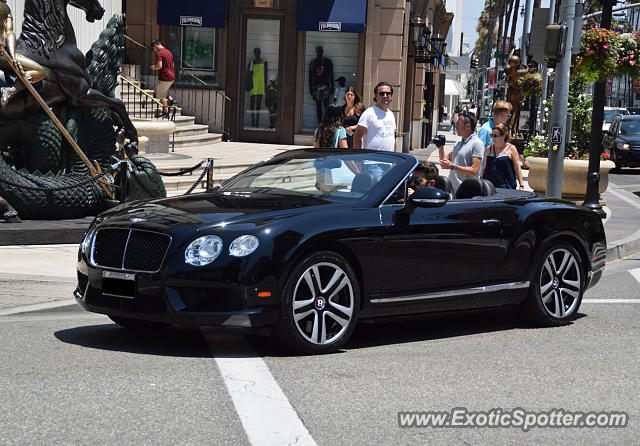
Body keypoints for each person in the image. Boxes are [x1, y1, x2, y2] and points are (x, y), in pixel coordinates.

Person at [0, 0, 46, 111]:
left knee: (40, 72)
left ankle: (10, 91)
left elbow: (9, 32)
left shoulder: (5, 8)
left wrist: (13, 56)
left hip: (3, 53)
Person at [439, 112, 485, 191]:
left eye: (458, 123)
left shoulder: (477, 144)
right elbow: (445, 162)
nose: (455, 126)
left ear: (467, 126)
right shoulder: (458, 142)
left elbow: (474, 170)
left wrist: (452, 166)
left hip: (466, 191)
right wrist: (440, 147)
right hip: (452, 189)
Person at [353, 81, 396, 152]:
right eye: (382, 94)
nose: (385, 96)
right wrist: (358, 157)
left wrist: (395, 158)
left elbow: (392, 139)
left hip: (389, 161)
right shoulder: (369, 113)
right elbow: (357, 137)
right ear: (376, 96)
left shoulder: (391, 114)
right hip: (371, 161)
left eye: (388, 93)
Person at [481, 124, 524, 190]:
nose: (493, 138)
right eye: (491, 135)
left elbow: (517, 168)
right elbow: (484, 168)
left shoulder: (511, 148)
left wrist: (521, 185)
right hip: (489, 186)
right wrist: (481, 182)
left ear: (503, 136)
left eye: (495, 136)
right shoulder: (488, 149)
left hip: (506, 187)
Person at [150, 40, 175, 118]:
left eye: (153, 48)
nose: (154, 50)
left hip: (165, 77)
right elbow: (173, 64)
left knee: (161, 96)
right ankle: (171, 100)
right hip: (172, 76)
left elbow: (159, 66)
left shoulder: (159, 53)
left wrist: (153, 67)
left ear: (155, 46)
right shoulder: (168, 52)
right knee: (164, 92)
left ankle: (166, 113)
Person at [309, 46, 334, 123]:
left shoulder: (327, 62)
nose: (319, 52)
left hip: (325, 86)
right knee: (318, 105)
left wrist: (332, 86)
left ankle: (326, 123)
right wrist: (310, 88)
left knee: (326, 105)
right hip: (317, 87)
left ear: (322, 52)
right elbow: (310, 77)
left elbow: (331, 75)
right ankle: (320, 123)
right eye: (318, 51)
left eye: (320, 51)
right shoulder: (313, 63)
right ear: (316, 52)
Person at [247, 47, 268, 128]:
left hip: (260, 85)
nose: (257, 53)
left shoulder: (264, 62)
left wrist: (265, 86)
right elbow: (248, 75)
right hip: (252, 85)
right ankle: (252, 120)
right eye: (255, 52)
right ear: (254, 53)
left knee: (258, 104)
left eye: (258, 52)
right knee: (252, 103)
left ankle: (257, 121)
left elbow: (266, 75)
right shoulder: (251, 62)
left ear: (260, 53)